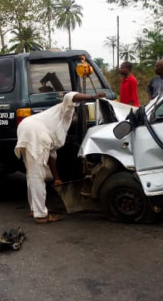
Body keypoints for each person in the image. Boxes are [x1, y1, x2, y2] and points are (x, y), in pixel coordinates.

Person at [15, 91, 106, 224]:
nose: (76, 119)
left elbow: (52, 155)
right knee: (37, 176)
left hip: (28, 128)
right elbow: (71, 96)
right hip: (34, 131)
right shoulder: (65, 111)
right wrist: (92, 97)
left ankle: (36, 209)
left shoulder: (59, 127)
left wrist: (57, 178)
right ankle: (41, 215)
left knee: (32, 174)